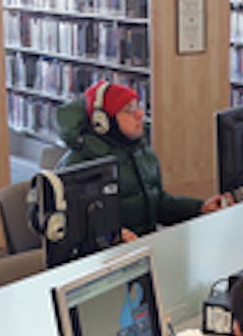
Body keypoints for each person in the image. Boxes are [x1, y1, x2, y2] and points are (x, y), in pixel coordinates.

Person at [54, 80, 232, 239]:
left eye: (137, 106)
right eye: (129, 110)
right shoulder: (78, 164)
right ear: (103, 122)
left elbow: (158, 205)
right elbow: (70, 229)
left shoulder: (141, 151)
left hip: (145, 248)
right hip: (108, 262)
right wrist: (111, 237)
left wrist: (200, 208)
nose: (139, 114)